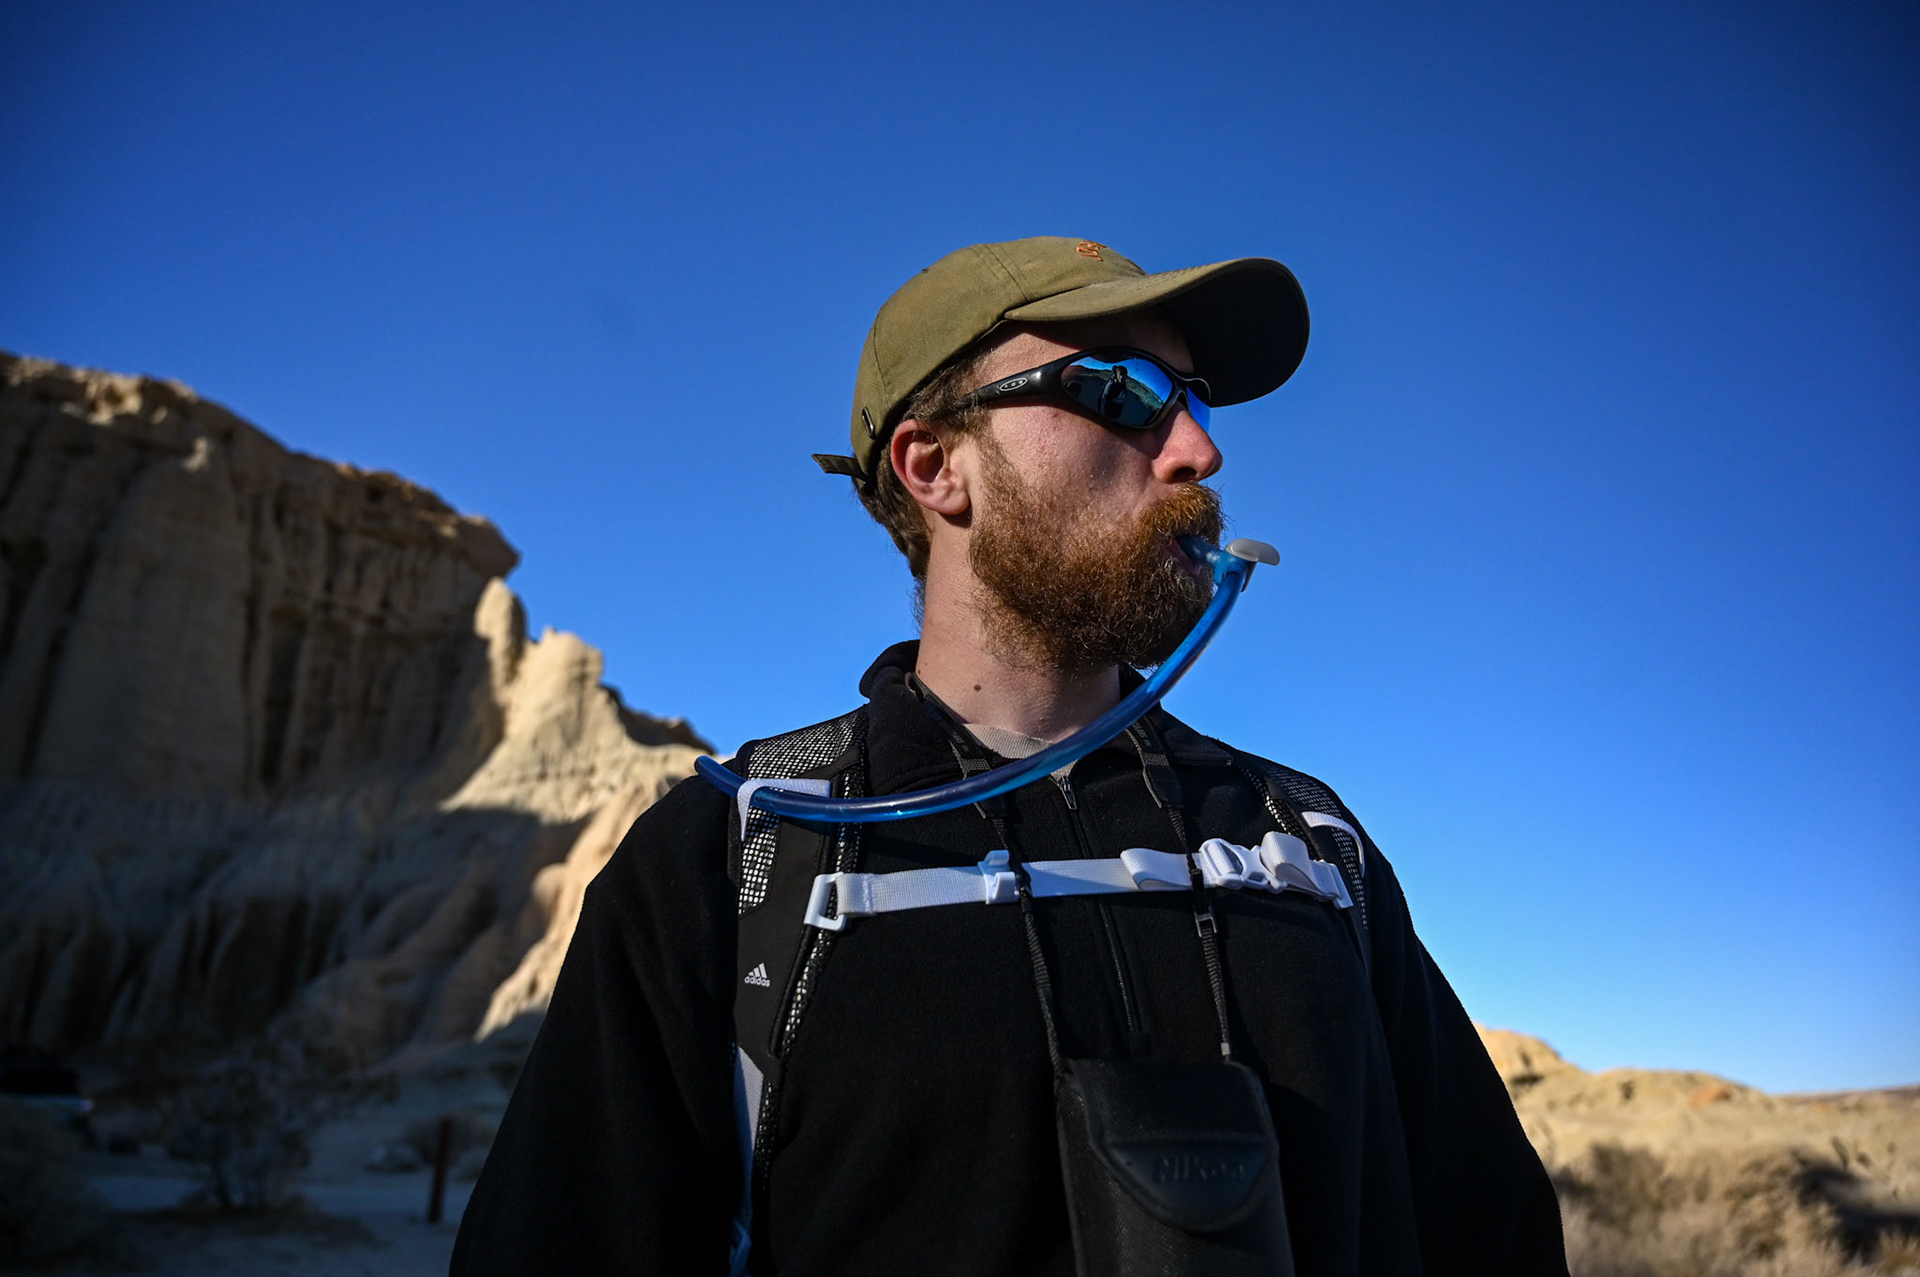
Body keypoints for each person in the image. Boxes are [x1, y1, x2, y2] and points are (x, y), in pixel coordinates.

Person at [451, 236, 1569, 1275]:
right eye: (1120, 393)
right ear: (936, 466)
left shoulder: (1307, 846)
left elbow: (1495, 1235)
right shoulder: (734, 856)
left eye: (1189, 402)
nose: (1198, 449)